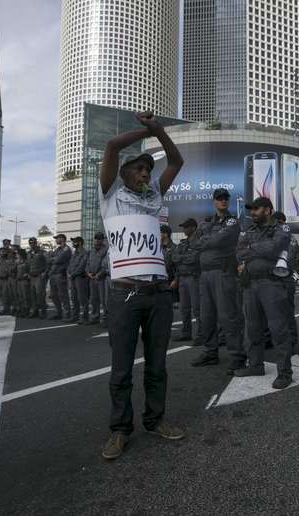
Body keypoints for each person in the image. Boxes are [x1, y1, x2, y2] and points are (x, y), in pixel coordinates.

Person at [98, 111, 185, 460]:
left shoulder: (155, 197)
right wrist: (144, 129)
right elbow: (112, 146)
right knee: (121, 369)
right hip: (124, 294)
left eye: (148, 169)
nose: (145, 173)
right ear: (122, 174)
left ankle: (155, 419)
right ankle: (120, 430)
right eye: (138, 168)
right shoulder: (109, 195)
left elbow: (176, 161)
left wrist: (159, 132)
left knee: (157, 365)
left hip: (158, 294)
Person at [236, 197, 295, 389]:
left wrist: (251, 248)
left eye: (256, 209)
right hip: (250, 283)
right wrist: (258, 249)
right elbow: (239, 252)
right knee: (252, 329)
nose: (252, 212)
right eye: (251, 209)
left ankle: (285, 372)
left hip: (272, 283)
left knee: (278, 329)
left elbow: (275, 248)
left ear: (268, 210)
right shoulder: (249, 230)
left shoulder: (281, 228)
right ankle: (255, 365)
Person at [190, 188, 247, 373]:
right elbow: (193, 242)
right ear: (214, 201)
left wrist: (207, 240)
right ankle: (210, 352)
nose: (222, 201)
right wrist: (210, 240)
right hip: (205, 274)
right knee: (206, 316)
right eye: (219, 198)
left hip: (223, 274)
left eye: (225, 199)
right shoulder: (206, 222)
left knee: (228, 316)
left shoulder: (233, 221)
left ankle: (237, 355)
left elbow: (222, 239)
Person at [271, 211, 299, 348]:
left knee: (287, 310)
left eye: (278, 223)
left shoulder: (290, 238)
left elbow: (289, 256)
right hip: (270, 279)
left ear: (282, 222)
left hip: (285, 278)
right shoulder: (270, 236)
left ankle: (292, 339)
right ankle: (270, 338)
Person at [172, 218, 201, 343]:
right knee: (184, 308)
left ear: (193, 228)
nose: (184, 229)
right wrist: (183, 258)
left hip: (194, 277)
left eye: (186, 227)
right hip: (183, 278)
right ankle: (186, 333)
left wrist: (181, 258)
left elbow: (194, 259)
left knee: (197, 308)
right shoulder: (183, 243)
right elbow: (174, 257)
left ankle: (201, 335)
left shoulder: (199, 241)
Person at [49, 234, 72, 320]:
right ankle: (59, 313)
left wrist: (53, 259)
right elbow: (49, 259)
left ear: (62, 239)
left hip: (60, 274)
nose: (56, 240)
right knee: (53, 295)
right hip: (53, 274)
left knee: (63, 295)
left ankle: (67, 314)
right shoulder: (57, 249)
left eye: (57, 238)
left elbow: (59, 259)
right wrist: (53, 259)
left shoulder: (66, 249)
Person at [87, 232, 109, 325]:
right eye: (95, 238)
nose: (96, 240)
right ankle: (95, 317)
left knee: (104, 300)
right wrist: (88, 272)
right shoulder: (92, 250)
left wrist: (99, 275)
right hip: (92, 277)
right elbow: (87, 263)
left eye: (98, 238)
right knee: (93, 299)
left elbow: (105, 264)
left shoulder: (106, 250)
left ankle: (105, 319)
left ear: (102, 240)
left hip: (102, 278)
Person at [67, 236, 90, 324]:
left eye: (74, 242)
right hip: (72, 278)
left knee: (82, 298)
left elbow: (82, 265)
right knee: (73, 298)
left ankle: (84, 318)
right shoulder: (74, 253)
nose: (73, 243)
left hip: (80, 277)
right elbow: (70, 264)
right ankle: (75, 316)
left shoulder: (85, 253)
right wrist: (69, 273)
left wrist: (73, 274)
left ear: (80, 242)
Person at [27, 237, 48, 319]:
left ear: (36, 243)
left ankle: (43, 312)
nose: (32, 244)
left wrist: (44, 273)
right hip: (32, 276)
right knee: (33, 295)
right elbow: (28, 264)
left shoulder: (42, 252)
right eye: (30, 243)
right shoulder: (29, 253)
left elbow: (48, 263)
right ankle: (35, 311)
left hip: (39, 276)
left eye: (33, 243)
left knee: (40, 295)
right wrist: (28, 273)